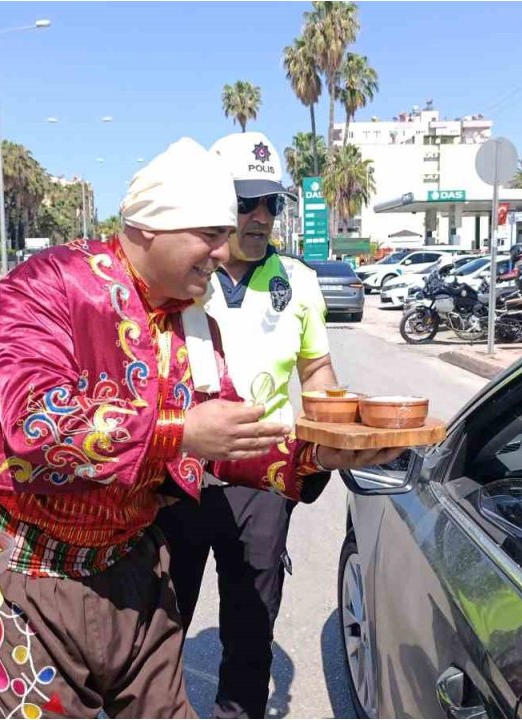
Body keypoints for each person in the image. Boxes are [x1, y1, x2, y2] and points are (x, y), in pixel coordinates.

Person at [0, 137, 401, 719]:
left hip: (132, 569)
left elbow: (226, 439)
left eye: (224, 234)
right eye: (209, 234)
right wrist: (177, 432)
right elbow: (35, 423)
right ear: (149, 228)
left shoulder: (193, 319)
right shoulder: (47, 285)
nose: (222, 251)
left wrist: (316, 456)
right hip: (20, 577)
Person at [155, 131, 335, 718]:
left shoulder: (298, 281)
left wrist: (336, 433)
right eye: (245, 203)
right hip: (176, 478)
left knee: (252, 628)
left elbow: (317, 371)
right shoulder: (180, 275)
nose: (260, 217)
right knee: (160, 625)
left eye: (271, 203)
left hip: (261, 482)